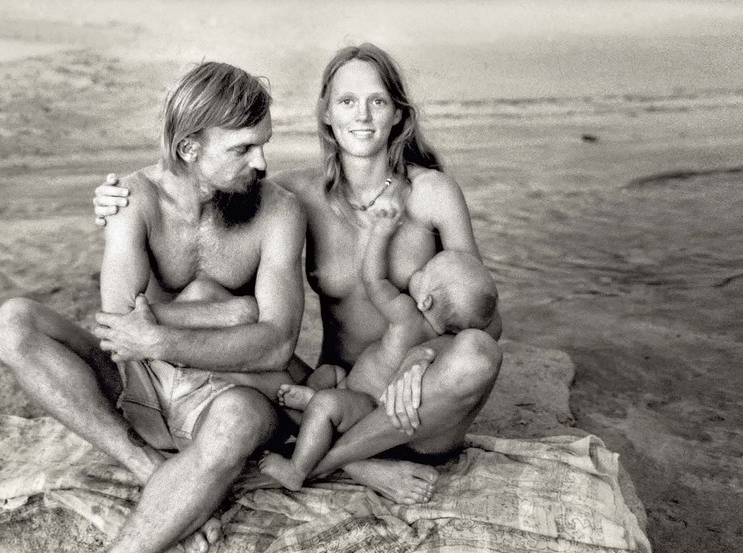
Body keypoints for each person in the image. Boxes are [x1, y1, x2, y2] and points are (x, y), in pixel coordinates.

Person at [0, 61, 306, 553]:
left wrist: (165, 333)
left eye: (264, 145)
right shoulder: (133, 198)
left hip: (224, 392)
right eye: (244, 148)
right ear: (189, 146)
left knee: (242, 423)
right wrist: (234, 314)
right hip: (141, 384)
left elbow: (278, 342)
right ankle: (149, 468)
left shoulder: (279, 210)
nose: (261, 162)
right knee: (14, 322)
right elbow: (120, 325)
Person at [95, 44, 503, 504]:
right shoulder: (295, 194)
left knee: (479, 354)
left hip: (412, 409)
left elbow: (483, 311)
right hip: (329, 393)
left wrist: (422, 358)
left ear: (398, 115)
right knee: (219, 314)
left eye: (378, 101)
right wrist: (118, 200)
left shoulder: (434, 193)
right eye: (348, 101)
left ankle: (331, 463)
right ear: (326, 112)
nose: (363, 115)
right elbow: (203, 190)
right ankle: (353, 460)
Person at [260, 199, 497, 490]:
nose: (416, 273)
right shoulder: (444, 343)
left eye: (424, 273)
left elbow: (373, 280)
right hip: (352, 385)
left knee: (325, 402)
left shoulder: (407, 314)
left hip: (365, 405)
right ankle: (315, 405)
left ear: (427, 300)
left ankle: (297, 469)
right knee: (329, 374)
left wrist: (380, 234)